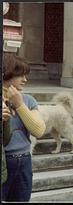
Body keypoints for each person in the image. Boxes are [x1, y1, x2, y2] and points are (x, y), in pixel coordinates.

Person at [1, 53, 46, 202]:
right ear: (7, 74)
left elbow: (38, 130)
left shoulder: (28, 100)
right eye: (20, 75)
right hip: (3, 162)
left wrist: (20, 105)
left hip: (24, 161)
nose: (25, 80)